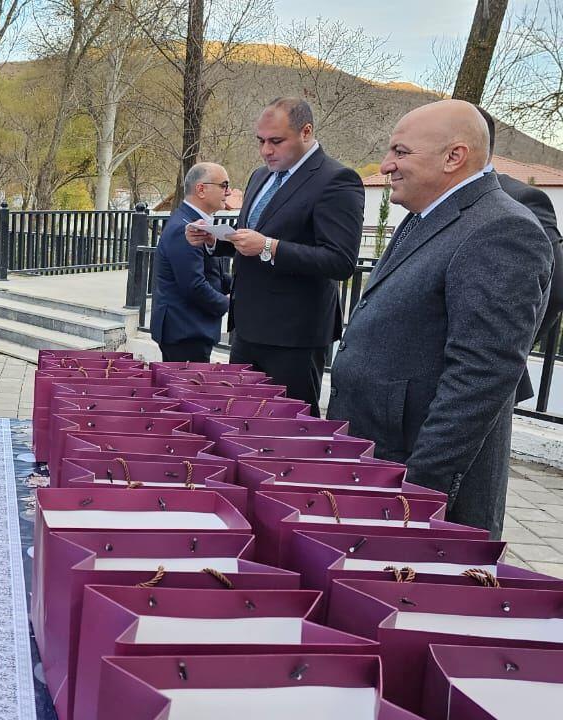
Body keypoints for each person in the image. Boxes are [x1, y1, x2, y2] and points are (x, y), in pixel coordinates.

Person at [327, 99, 553, 540]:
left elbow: (481, 376)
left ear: (454, 157)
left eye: (400, 152)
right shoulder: (426, 216)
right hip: (380, 456)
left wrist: (420, 490)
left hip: (416, 482)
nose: (387, 164)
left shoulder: (500, 229)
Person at [187, 97, 364, 416]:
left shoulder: (337, 179)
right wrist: (215, 240)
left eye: (276, 141)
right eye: (261, 141)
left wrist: (270, 247)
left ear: (306, 132)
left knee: (289, 430)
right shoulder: (260, 176)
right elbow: (249, 237)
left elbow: (340, 261)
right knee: (239, 419)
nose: (266, 150)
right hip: (246, 329)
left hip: (294, 336)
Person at [474, 107, 563, 404]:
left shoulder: (521, 198)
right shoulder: (426, 199)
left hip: (480, 380)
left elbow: (557, 283)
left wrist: (510, 349)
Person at [153, 162, 232, 362]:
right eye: (223, 185)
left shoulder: (197, 222)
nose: (229, 192)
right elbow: (193, 285)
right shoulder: (186, 228)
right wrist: (230, 303)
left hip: (190, 329)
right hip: (185, 332)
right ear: (201, 189)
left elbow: (214, 274)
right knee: (186, 391)